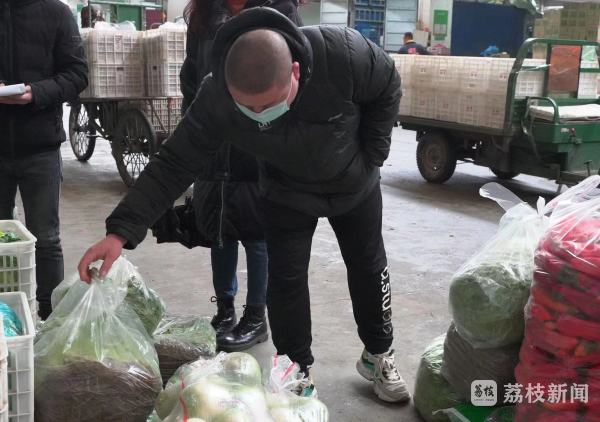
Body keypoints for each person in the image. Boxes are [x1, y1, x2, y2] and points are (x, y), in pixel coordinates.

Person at [79, 8, 408, 403]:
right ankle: (294, 370)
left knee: (369, 268)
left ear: (296, 73)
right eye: (248, 110)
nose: (259, 118)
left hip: (355, 187)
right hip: (286, 192)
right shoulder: (217, 96)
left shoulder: (343, 54)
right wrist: (119, 232)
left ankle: (378, 353)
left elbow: (387, 84)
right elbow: (174, 162)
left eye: (269, 106)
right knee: (285, 281)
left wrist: (372, 155)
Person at [178, 0, 302, 352]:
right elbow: (191, 74)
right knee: (219, 229)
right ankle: (225, 309)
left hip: (259, 138)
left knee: (256, 232)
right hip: (214, 140)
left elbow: (297, 76)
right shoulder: (204, 14)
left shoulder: (279, 10)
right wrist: (194, 122)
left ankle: (256, 316)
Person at [0, 0, 88, 320]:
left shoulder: (56, 13)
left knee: (46, 239)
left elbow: (77, 74)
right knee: (0, 237)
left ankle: (51, 317)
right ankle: (6, 315)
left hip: (40, 148)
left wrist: (35, 92)